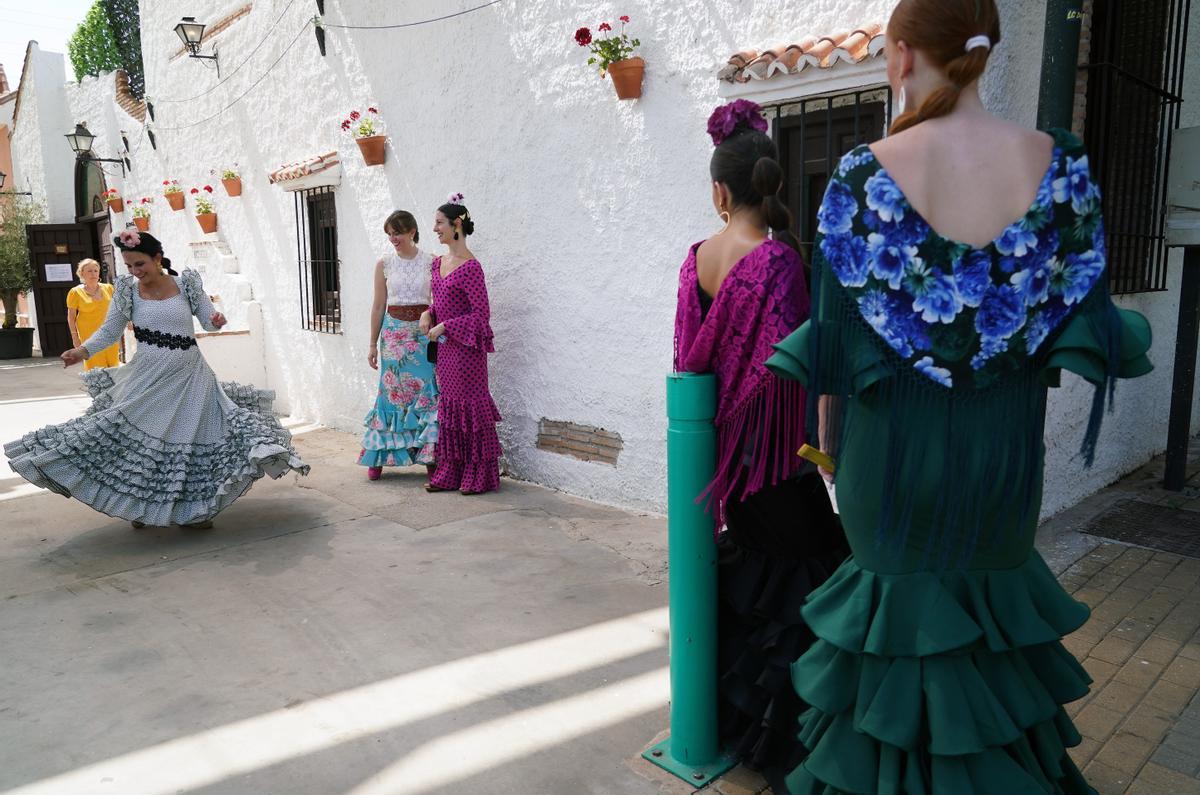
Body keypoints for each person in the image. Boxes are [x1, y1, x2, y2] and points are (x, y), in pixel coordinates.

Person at [764, 1, 1153, 791]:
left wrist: (829, 454)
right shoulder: (1062, 167)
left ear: (902, 57)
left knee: (890, 646)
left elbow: (834, 355)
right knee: (990, 643)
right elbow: (1079, 321)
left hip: (891, 470)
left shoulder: (861, 178)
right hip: (1000, 463)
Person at [673, 99, 847, 787]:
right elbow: (791, 367)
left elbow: (691, 357)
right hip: (775, 458)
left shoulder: (697, 260)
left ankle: (745, 729)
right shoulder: (777, 262)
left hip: (729, 463)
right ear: (768, 183)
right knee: (817, 576)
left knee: (760, 584)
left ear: (719, 191)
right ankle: (796, 747)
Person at [4, 230, 309, 529]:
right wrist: (81, 351)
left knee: (189, 441)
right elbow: (110, 331)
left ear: (157, 258)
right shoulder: (127, 291)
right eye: (129, 266)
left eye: (140, 264)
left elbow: (208, 321)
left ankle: (194, 511)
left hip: (191, 376)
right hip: (147, 376)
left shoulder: (186, 285)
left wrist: (216, 321)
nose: (136, 271)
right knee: (140, 442)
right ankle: (141, 505)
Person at [420, 194, 501, 494]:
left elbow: (482, 316)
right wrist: (428, 314)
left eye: (439, 223)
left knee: (470, 411)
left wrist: (446, 326)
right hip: (445, 351)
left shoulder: (471, 268)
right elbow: (440, 303)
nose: (434, 229)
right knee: (451, 410)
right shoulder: (437, 263)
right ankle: (450, 473)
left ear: (456, 225)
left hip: (467, 353)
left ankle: (477, 476)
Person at [358, 210, 439, 480]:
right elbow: (378, 305)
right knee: (391, 392)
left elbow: (440, 300)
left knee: (427, 392)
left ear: (412, 231)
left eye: (398, 233)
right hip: (393, 336)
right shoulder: (384, 264)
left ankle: (429, 456)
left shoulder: (432, 262)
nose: (393, 238)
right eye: (389, 233)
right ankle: (378, 456)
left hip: (422, 334)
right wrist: (371, 343)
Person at [66, 259, 119, 370]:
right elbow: (71, 317)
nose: (93, 274)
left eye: (96, 270)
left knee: (113, 366)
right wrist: (74, 337)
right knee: (95, 367)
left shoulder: (109, 288)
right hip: (89, 336)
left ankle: (113, 387)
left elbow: (119, 307)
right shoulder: (75, 292)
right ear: (82, 273)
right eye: (89, 271)